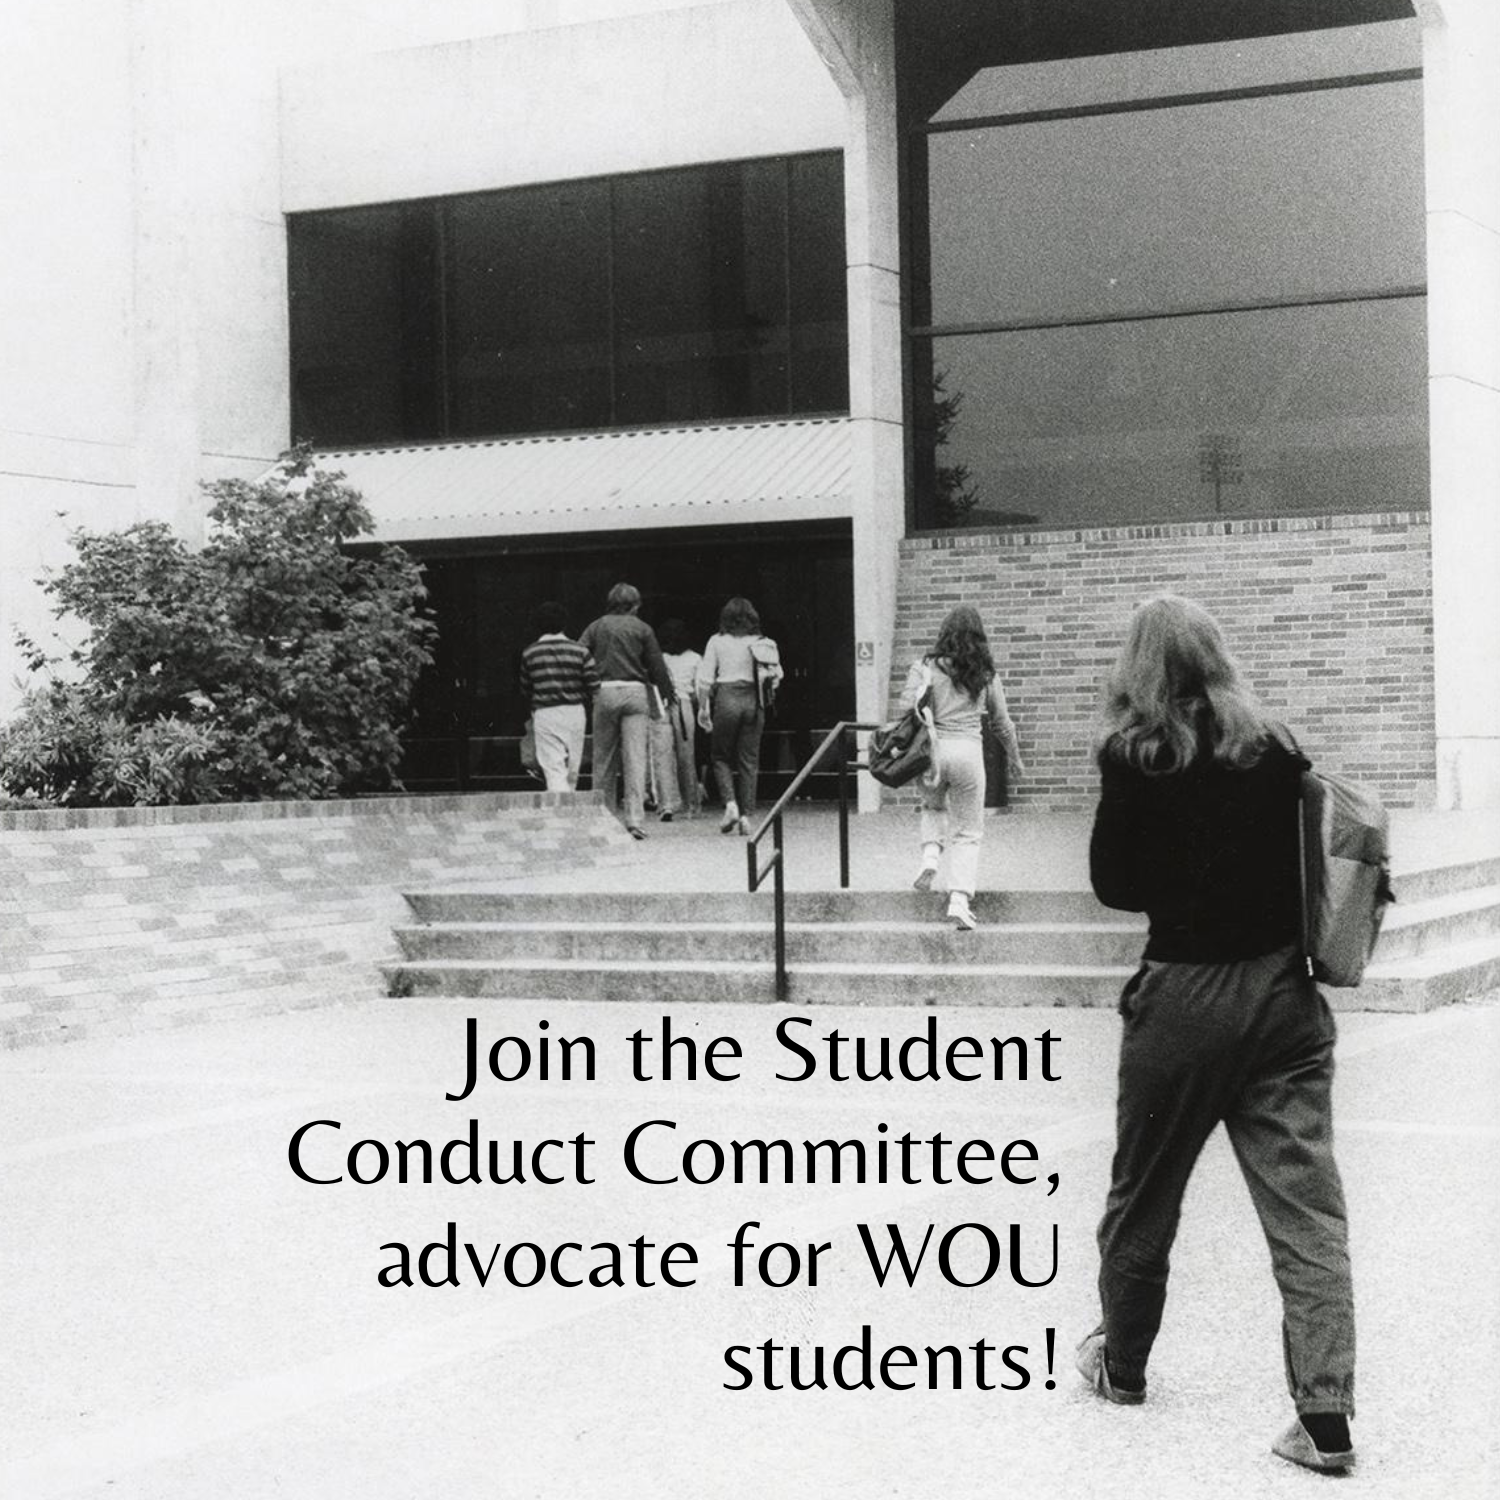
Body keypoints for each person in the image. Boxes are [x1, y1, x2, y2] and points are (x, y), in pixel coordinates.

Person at [1079, 593, 1357, 1475]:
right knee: (1308, 1212)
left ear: (1139, 667)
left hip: (1184, 1004)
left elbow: (1113, 884)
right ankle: (1325, 1417)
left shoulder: (1137, 756)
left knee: (1145, 1190)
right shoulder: (1275, 747)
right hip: (1285, 996)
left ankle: (1121, 1366)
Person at [898, 604, 1024, 930]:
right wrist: (1014, 756)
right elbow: (1002, 723)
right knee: (968, 832)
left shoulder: (923, 667)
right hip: (968, 753)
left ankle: (929, 856)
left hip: (932, 752)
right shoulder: (985, 673)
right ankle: (958, 900)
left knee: (932, 806)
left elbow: (903, 708)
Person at [578, 583, 677, 840]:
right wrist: (668, 695)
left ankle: (603, 817)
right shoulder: (642, 628)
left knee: (603, 759)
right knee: (635, 758)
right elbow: (657, 666)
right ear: (635, 605)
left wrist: (590, 683)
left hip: (605, 691)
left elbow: (580, 654)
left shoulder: (596, 626)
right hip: (635, 692)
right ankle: (634, 820)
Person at [697, 596, 783, 835]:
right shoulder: (764, 642)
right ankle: (747, 817)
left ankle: (731, 804)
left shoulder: (716, 641)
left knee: (720, 756)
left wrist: (703, 708)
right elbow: (777, 677)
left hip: (726, 697)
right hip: (754, 701)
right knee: (749, 761)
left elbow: (705, 678)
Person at [517, 602, 600, 792]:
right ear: (564, 624)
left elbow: (525, 688)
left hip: (546, 713)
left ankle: (560, 810)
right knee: (572, 768)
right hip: (574, 712)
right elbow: (593, 684)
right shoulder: (580, 651)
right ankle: (567, 807)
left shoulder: (530, 652)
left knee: (554, 768)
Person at [647, 618, 703, 821]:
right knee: (687, 757)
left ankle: (666, 804)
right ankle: (691, 805)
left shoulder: (660, 658)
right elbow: (698, 691)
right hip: (684, 706)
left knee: (662, 756)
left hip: (661, 705)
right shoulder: (696, 658)